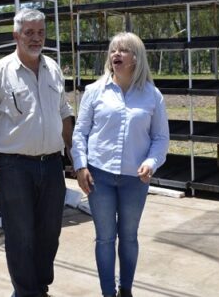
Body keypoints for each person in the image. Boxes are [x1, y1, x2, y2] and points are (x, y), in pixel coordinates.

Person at [0, 8, 75, 297]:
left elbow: (64, 113)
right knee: (20, 236)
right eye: (29, 32)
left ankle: (39, 287)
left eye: (40, 32)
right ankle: (27, 292)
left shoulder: (52, 68)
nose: (36, 38)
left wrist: (74, 155)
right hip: (14, 167)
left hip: (51, 165)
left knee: (49, 232)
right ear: (16, 35)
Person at [71, 32, 169, 297]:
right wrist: (80, 166)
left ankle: (126, 289)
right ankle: (108, 292)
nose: (116, 54)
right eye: (113, 49)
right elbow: (80, 133)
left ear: (136, 58)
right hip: (99, 176)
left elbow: (160, 138)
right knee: (104, 237)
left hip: (134, 180)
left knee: (128, 237)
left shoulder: (152, 95)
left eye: (123, 50)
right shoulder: (94, 91)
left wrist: (151, 162)